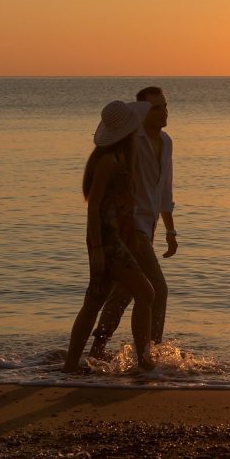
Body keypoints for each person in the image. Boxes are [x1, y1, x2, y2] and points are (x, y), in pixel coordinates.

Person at [64, 99, 157, 373]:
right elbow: (93, 207)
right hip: (106, 242)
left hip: (113, 241)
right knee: (146, 292)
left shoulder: (119, 158)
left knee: (93, 301)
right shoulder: (107, 161)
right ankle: (144, 360)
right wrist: (97, 250)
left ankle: (71, 364)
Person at [88, 86, 177, 359]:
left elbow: (164, 190)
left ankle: (96, 350)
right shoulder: (131, 142)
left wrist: (170, 230)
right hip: (130, 228)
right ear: (142, 112)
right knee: (157, 289)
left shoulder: (167, 142)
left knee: (123, 293)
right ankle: (151, 353)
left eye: (164, 106)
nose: (163, 112)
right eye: (156, 107)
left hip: (147, 228)